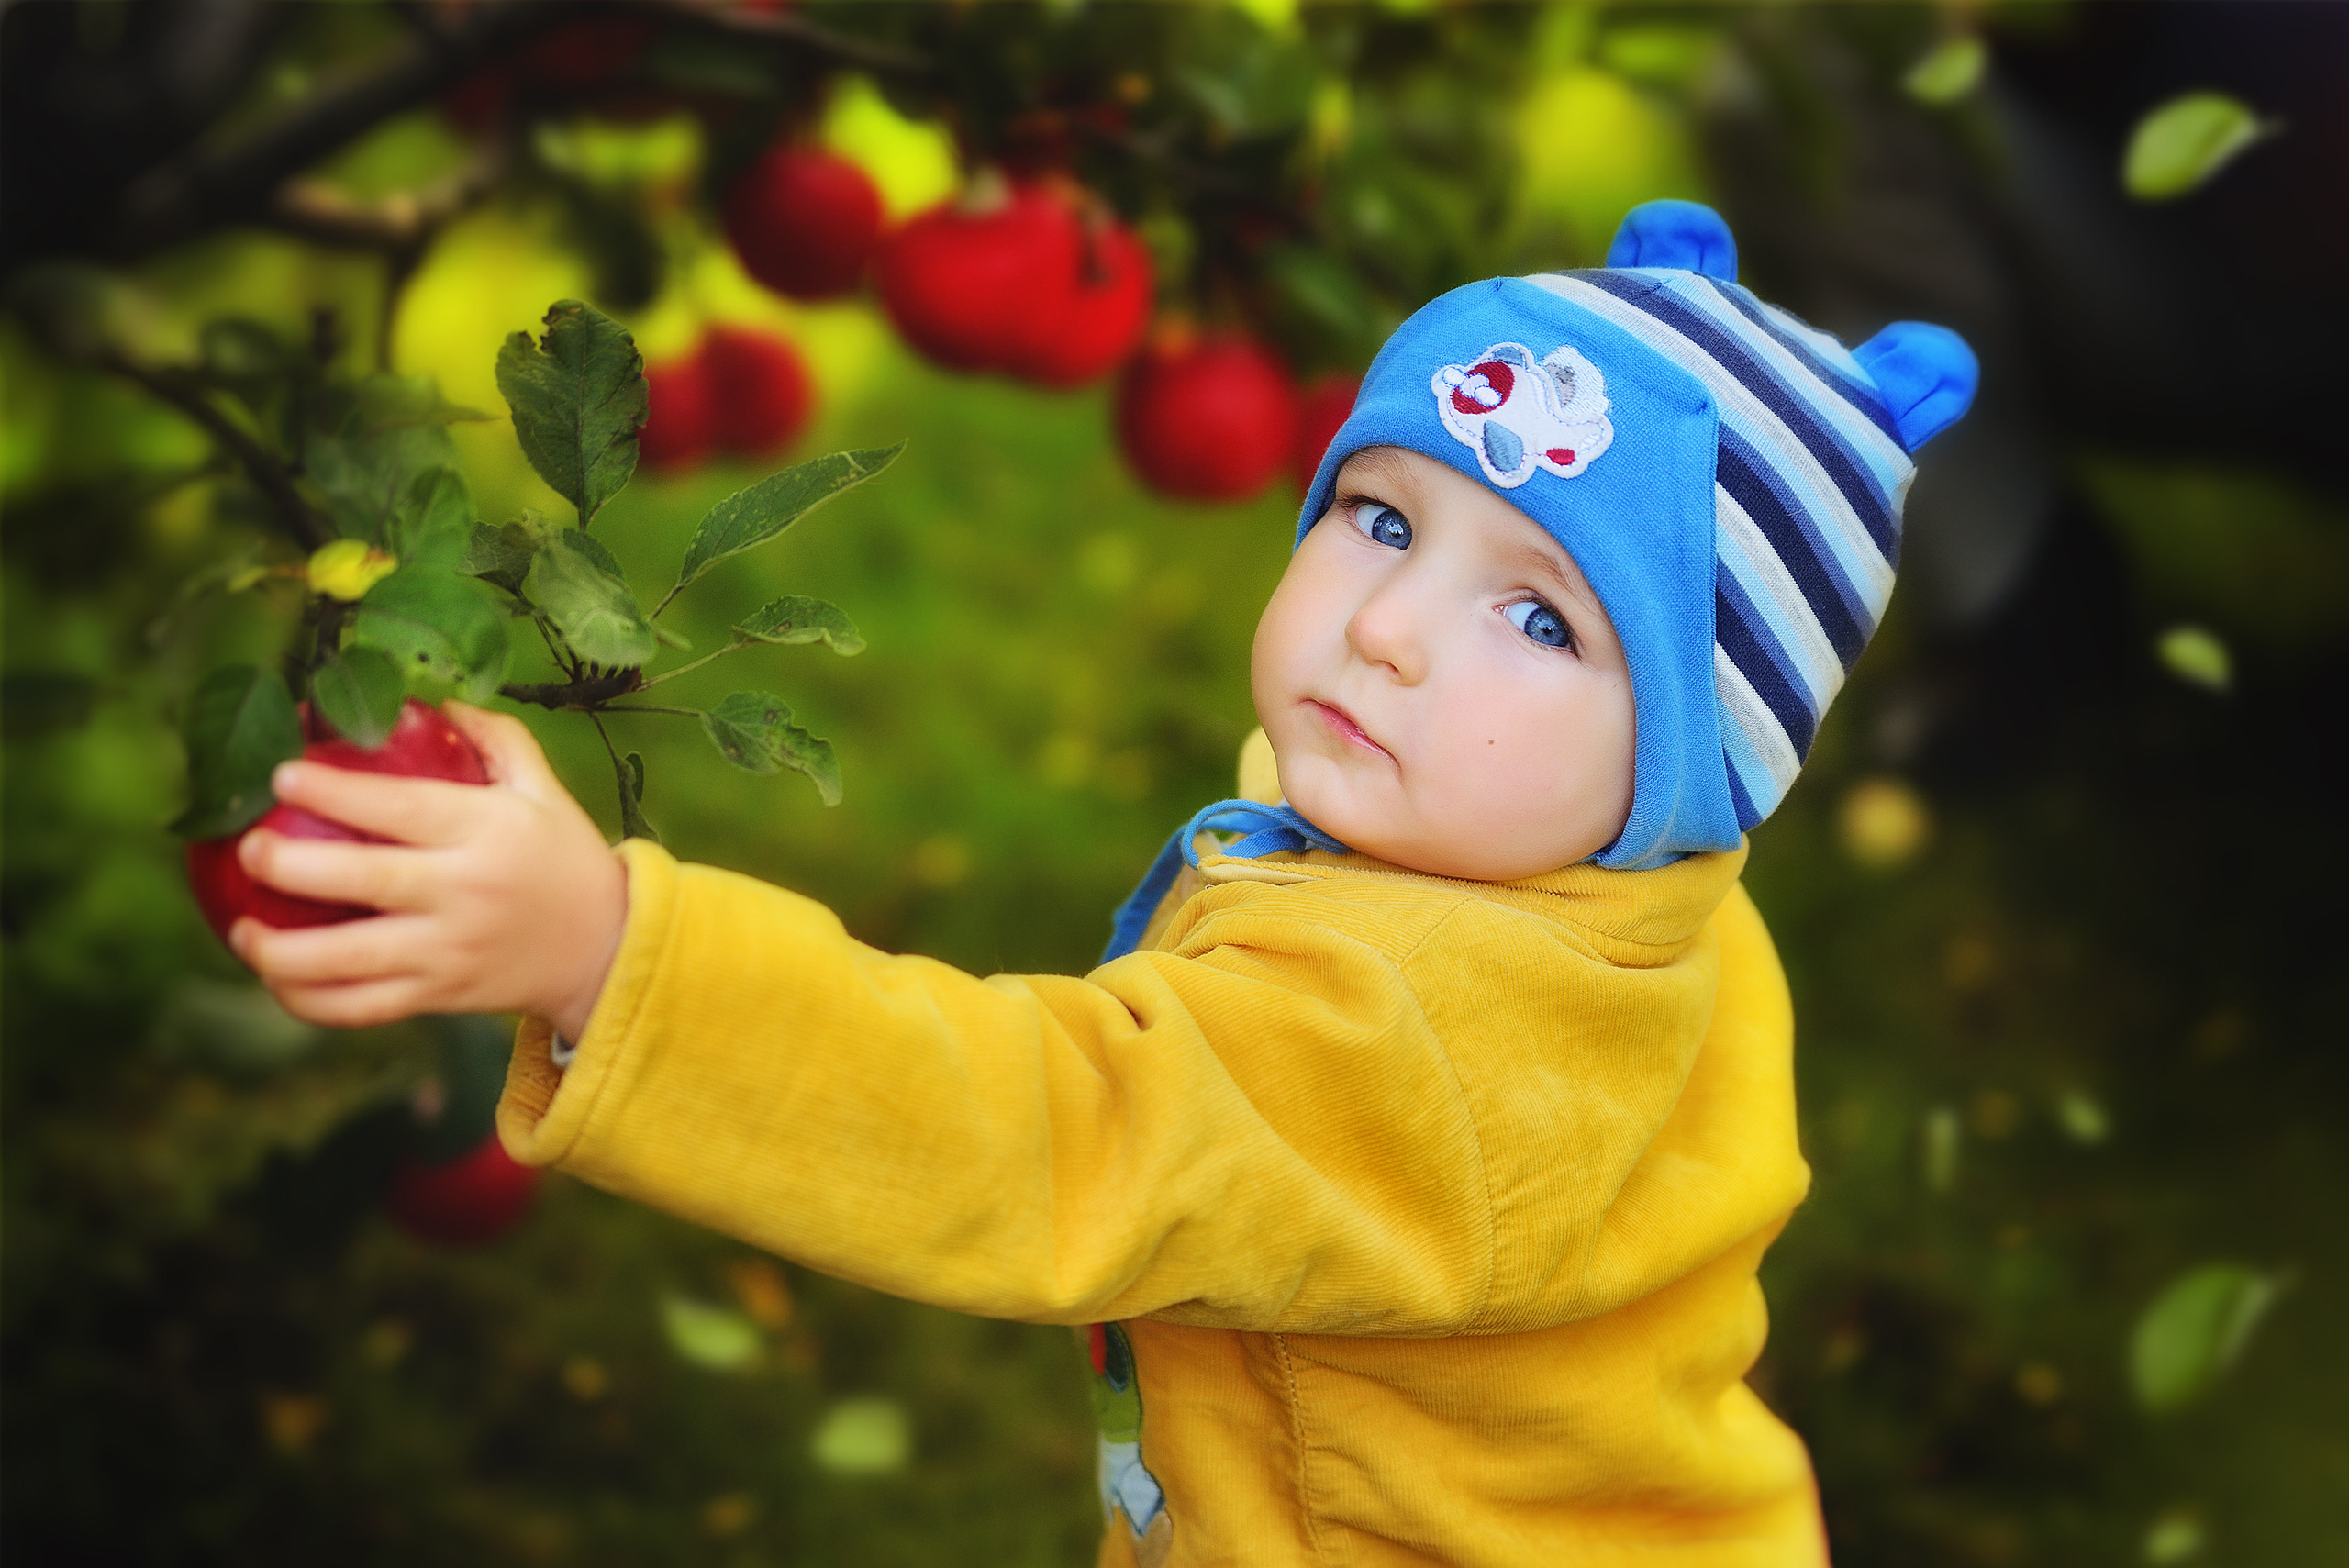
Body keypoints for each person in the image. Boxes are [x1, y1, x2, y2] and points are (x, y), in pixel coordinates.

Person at [228, 201, 1976, 1567]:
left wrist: (613, 952)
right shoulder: (1630, 894)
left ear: (1693, 769)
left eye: (1541, 619)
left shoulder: (1416, 1043)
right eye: (1381, 519)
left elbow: (1039, 1129)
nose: (1387, 627)